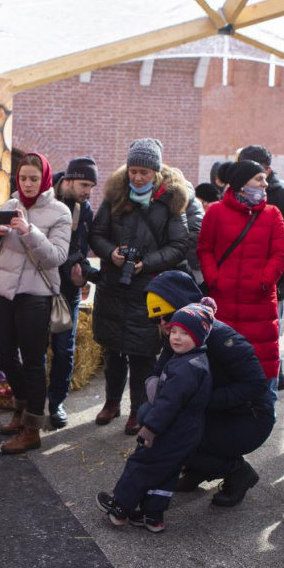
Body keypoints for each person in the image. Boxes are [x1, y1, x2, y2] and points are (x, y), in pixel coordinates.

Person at [146, 271, 274, 506]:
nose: (163, 325)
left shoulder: (222, 337)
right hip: (214, 409)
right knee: (151, 416)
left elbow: (256, 384)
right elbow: (158, 372)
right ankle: (199, 467)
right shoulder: (178, 333)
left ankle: (236, 471)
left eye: (166, 316)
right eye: (156, 320)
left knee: (173, 434)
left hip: (249, 417)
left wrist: (201, 401)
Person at [89, 138, 190, 435]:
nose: (137, 177)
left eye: (144, 172)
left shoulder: (170, 201)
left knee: (142, 354)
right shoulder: (115, 195)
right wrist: (111, 253)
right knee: (112, 351)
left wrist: (148, 261)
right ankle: (111, 403)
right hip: (113, 286)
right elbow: (97, 234)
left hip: (148, 289)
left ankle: (137, 409)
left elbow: (179, 244)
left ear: (155, 172)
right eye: (133, 171)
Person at [95, 302, 214, 533]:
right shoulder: (197, 361)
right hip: (187, 433)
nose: (177, 338)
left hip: (169, 431)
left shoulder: (186, 367)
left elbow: (168, 405)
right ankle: (153, 515)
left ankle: (120, 508)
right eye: (174, 331)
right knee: (167, 472)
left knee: (141, 465)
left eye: (185, 333)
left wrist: (150, 428)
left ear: (200, 337)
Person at [0, 152, 71, 454]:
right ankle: (20, 408)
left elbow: (56, 257)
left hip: (36, 296)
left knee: (33, 362)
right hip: (3, 293)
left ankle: (32, 428)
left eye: (34, 178)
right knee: (5, 355)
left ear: (44, 179)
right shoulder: (9, 205)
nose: (28, 184)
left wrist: (29, 231)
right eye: (23, 178)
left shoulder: (60, 212)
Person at [197, 160, 284, 389]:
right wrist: (215, 280)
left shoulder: (272, 214)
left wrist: (263, 282)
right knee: (223, 366)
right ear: (240, 184)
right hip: (223, 302)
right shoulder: (216, 212)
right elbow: (204, 249)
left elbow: (281, 254)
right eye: (259, 178)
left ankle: (262, 415)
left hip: (260, 304)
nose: (265, 184)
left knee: (262, 366)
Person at [238, 145, 284, 391]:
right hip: (241, 282)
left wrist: (273, 279)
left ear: (266, 170)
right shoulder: (234, 194)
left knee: (267, 338)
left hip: (272, 284)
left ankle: (269, 384)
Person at [47, 156, 99, 428]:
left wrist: (82, 276)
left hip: (67, 291)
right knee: (30, 349)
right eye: (83, 184)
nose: (87, 191)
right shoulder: (44, 201)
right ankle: (26, 406)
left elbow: (78, 252)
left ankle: (56, 404)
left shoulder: (85, 209)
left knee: (64, 348)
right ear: (67, 180)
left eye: (91, 185)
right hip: (38, 287)